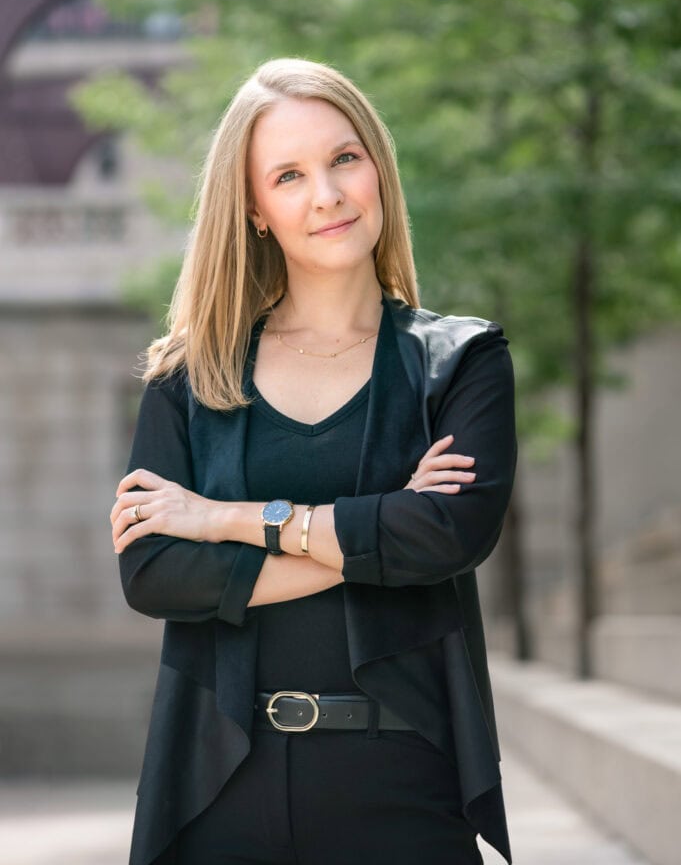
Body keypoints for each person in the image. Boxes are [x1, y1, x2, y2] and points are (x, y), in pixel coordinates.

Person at [110, 57, 518, 865]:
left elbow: (447, 535)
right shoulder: (191, 376)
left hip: (402, 777)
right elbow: (153, 573)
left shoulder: (459, 360)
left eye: (343, 159)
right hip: (216, 786)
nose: (326, 195)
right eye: (288, 175)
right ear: (256, 209)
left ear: (377, 167)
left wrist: (225, 520)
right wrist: (374, 533)